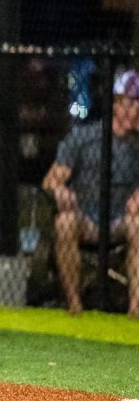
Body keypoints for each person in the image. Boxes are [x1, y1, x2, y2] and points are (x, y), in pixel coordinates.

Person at [42, 69, 139, 317]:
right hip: (87, 218)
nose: (134, 111)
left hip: (122, 219)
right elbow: (50, 180)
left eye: (138, 105)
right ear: (115, 105)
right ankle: (74, 304)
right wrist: (60, 191)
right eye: (129, 104)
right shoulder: (85, 137)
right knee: (64, 222)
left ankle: (135, 307)